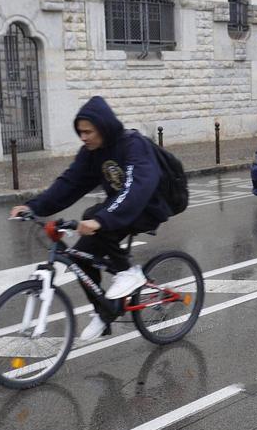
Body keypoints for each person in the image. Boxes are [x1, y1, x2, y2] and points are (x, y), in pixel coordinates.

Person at [10, 96, 172, 341]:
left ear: (103, 127)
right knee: (81, 257)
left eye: (88, 131)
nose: (83, 137)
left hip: (148, 205)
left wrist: (102, 220)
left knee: (93, 217)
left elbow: (138, 186)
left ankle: (129, 274)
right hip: (120, 207)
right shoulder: (91, 153)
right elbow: (69, 184)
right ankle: (105, 312)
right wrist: (33, 207)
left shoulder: (133, 145)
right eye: (80, 132)